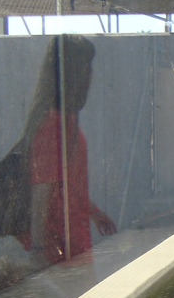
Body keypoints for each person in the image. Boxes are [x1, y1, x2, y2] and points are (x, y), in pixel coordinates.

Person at [18, 35, 116, 264]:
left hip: (74, 246)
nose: (91, 76)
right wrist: (39, 251)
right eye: (86, 67)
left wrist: (94, 213)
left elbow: (69, 187)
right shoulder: (53, 124)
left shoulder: (67, 120)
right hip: (60, 251)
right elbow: (42, 192)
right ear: (72, 73)